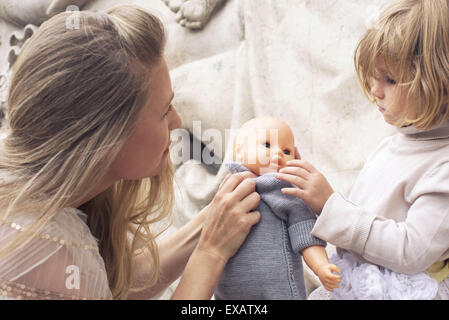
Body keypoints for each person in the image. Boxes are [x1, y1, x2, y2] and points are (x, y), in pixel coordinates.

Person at [0, 5, 261, 300]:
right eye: (163, 112)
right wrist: (211, 254)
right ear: (108, 136)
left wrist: (208, 225)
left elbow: (110, 286)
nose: (176, 121)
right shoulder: (42, 244)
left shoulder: (39, 205)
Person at [276, 0, 449, 300]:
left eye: (391, 80)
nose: (375, 90)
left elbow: (411, 251)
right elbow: (368, 216)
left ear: (442, 86)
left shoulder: (443, 166)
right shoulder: (399, 141)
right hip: (355, 280)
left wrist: (330, 206)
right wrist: (313, 198)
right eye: (375, 76)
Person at [215, 117, 340, 300]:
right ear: (239, 152)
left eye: (287, 150)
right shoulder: (228, 187)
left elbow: (305, 233)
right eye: (267, 144)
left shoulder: (286, 191)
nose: (279, 154)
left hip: (277, 291)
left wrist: (321, 266)